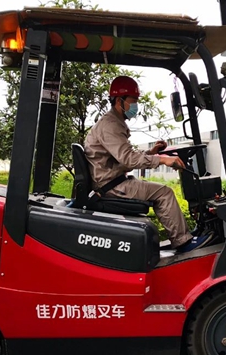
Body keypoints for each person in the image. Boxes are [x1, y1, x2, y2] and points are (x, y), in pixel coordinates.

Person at [84, 76, 213, 253]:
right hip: (111, 186)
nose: (136, 106)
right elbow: (129, 159)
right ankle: (182, 242)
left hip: (113, 181)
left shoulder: (113, 122)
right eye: (133, 101)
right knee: (164, 193)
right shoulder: (110, 125)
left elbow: (124, 157)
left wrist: (151, 153)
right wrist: (162, 159)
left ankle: (185, 235)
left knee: (161, 191)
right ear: (119, 100)